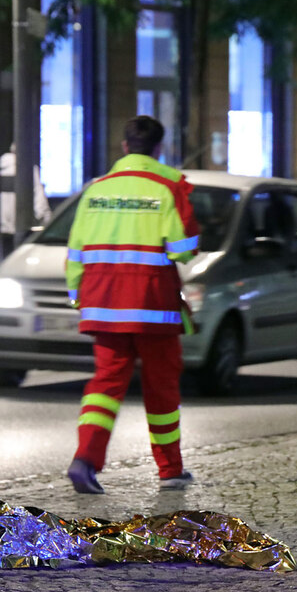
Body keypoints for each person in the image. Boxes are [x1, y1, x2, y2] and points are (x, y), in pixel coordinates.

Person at [65, 115, 200, 494]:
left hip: (102, 305)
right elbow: (184, 250)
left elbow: (75, 251)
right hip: (151, 306)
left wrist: (78, 296)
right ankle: (170, 469)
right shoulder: (168, 186)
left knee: (104, 386)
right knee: (161, 387)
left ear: (124, 147)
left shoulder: (96, 190)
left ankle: (85, 460)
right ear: (159, 149)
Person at [0, 143, 51, 258]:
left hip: (0, 226)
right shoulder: (29, 170)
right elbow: (39, 201)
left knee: (3, 260)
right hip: (21, 225)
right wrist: (45, 219)